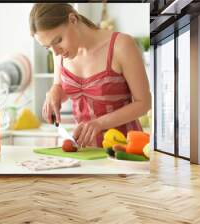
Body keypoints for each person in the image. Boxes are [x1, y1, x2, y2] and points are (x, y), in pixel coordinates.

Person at [29, 3, 151, 147]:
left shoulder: (121, 45)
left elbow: (144, 103)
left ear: (73, 20)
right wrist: (54, 92)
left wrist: (100, 123)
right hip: (84, 151)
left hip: (124, 149)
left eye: (58, 41)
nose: (55, 52)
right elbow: (62, 87)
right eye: (48, 47)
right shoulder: (60, 54)